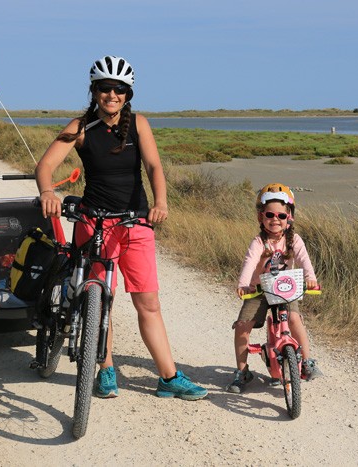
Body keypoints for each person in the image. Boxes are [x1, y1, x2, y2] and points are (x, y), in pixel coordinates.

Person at [36, 55, 207, 401]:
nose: (111, 94)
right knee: (101, 300)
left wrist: (161, 202)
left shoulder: (139, 124)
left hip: (135, 223)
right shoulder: (81, 127)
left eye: (119, 89)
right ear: (94, 91)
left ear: (128, 94)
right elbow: (45, 165)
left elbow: (154, 166)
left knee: (149, 304)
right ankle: (105, 369)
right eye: (104, 88)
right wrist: (47, 191)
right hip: (93, 222)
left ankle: (168, 376)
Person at [227, 183, 323, 393]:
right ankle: (242, 371)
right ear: (261, 217)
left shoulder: (294, 240)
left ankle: (307, 362)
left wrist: (311, 279)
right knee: (243, 326)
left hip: (286, 286)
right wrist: (244, 283)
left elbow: (304, 260)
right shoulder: (259, 242)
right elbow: (250, 262)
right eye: (269, 214)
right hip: (260, 289)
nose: (275, 220)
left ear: (290, 217)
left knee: (295, 319)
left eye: (281, 215)